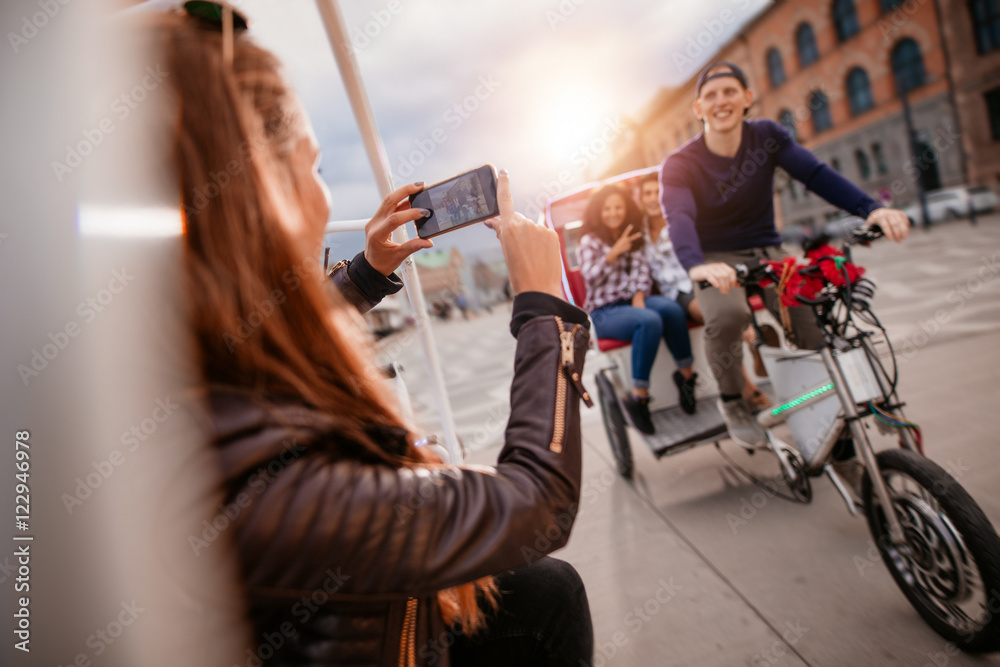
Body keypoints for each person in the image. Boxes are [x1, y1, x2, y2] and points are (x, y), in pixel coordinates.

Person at [157, 7, 594, 666]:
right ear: (260, 195)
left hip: (380, 621)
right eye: (315, 167)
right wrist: (543, 309)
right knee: (546, 583)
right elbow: (536, 507)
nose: (324, 199)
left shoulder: (184, 361)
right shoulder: (265, 483)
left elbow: (265, 342)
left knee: (547, 593)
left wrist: (369, 269)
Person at [658, 62, 910, 449]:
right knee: (728, 315)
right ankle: (733, 402)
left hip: (768, 249)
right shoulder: (680, 164)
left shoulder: (767, 137)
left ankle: (848, 399)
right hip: (716, 256)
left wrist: (871, 208)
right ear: (698, 109)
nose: (720, 101)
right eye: (710, 95)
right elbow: (679, 217)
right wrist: (698, 266)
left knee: (813, 319)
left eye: (729, 92)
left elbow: (816, 175)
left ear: (747, 98)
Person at [637, 173, 772, 410]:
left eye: (656, 192)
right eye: (646, 193)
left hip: (699, 280)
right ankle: (751, 348)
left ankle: (750, 358)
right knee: (715, 314)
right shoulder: (640, 233)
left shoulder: (681, 221)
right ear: (639, 198)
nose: (652, 198)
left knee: (718, 315)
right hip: (675, 294)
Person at [577, 184, 698, 434]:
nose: (614, 213)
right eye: (608, 208)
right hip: (604, 311)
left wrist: (639, 296)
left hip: (633, 302)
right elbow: (589, 277)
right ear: (599, 211)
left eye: (619, 207)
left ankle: (686, 377)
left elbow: (642, 271)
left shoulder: (634, 234)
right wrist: (614, 253)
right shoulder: (589, 241)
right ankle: (638, 395)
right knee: (649, 321)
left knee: (671, 309)